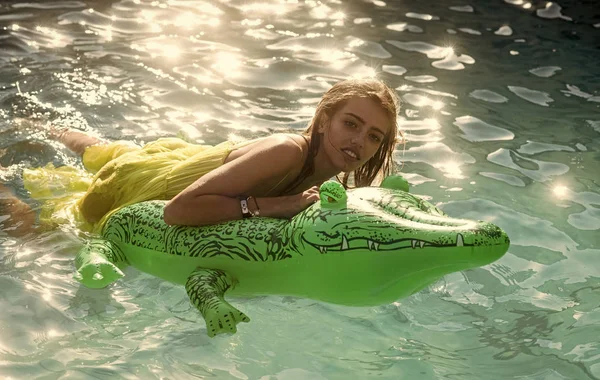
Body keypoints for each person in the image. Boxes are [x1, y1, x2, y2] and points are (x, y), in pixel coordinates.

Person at [0, 78, 401, 236]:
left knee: (100, 149)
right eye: (351, 123)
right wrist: (276, 205)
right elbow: (177, 211)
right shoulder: (287, 151)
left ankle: (45, 126)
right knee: (38, 235)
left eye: (373, 136)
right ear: (325, 118)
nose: (359, 141)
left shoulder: (330, 180)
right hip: (147, 185)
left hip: (180, 160)